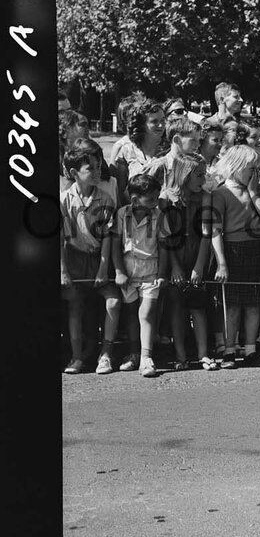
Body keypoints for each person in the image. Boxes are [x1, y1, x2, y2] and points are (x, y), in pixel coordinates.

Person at [207, 144, 260, 368]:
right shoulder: (221, 193)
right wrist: (221, 263)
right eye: (251, 169)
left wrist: (254, 192)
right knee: (232, 306)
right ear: (236, 167)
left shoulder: (257, 190)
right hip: (232, 251)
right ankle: (229, 349)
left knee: (253, 305)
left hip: (255, 249)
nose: (255, 174)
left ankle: (251, 350)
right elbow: (215, 230)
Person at [60, 147, 122, 374]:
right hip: (74, 260)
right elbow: (60, 240)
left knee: (113, 301)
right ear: (75, 172)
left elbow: (107, 237)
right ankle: (76, 357)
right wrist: (63, 270)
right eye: (91, 168)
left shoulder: (105, 198)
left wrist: (103, 269)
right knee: (75, 305)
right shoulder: (64, 200)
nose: (97, 172)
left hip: (99, 260)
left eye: (99, 167)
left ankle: (105, 354)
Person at [111, 173, 173, 377]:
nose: (156, 202)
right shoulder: (121, 214)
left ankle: (147, 357)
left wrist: (163, 274)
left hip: (150, 272)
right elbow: (115, 246)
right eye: (151, 198)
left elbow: (164, 247)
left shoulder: (159, 216)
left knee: (146, 313)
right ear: (135, 199)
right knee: (131, 314)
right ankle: (133, 353)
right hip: (128, 273)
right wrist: (119, 271)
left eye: (157, 197)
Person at [162, 154, 217, 370]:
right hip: (175, 255)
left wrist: (199, 266)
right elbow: (167, 236)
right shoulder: (167, 198)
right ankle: (181, 356)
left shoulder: (205, 197)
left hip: (197, 253)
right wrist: (175, 266)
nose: (203, 180)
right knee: (176, 306)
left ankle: (203, 354)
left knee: (198, 306)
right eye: (199, 175)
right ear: (184, 175)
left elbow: (206, 233)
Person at [143, 116, 203, 201]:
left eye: (199, 140)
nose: (198, 145)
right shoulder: (158, 167)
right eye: (193, 140)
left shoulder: (197, 165)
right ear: (177, 140)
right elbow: (137, 191)